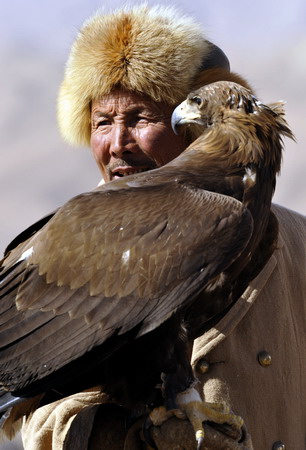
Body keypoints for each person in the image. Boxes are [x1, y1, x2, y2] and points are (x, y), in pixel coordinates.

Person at [3, 5, 305, 450]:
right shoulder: (86, 229)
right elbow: (42, 393)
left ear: (202, 124)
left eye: (141, 118)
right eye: (103, 122)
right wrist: (110, 433)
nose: (118, 143)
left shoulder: (293, 241)